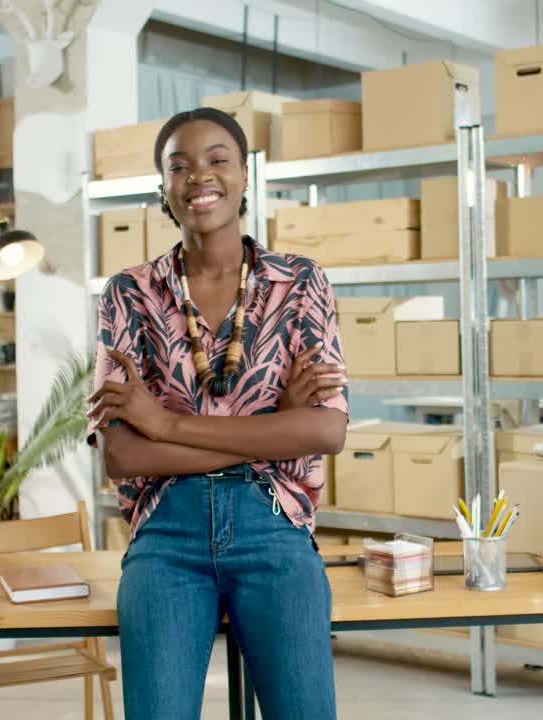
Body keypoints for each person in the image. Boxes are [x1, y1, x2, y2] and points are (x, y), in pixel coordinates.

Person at [87, 108, 349, 720]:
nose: (198, 175)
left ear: (245, 177)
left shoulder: (301, 283)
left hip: (275, 525)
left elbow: (326, 429)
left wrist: (167, 423)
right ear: (163, 192)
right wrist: (274, 427)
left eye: (217, 159)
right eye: (178, 166)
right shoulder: (128, 294)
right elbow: (122, 454)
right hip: (166, 535)